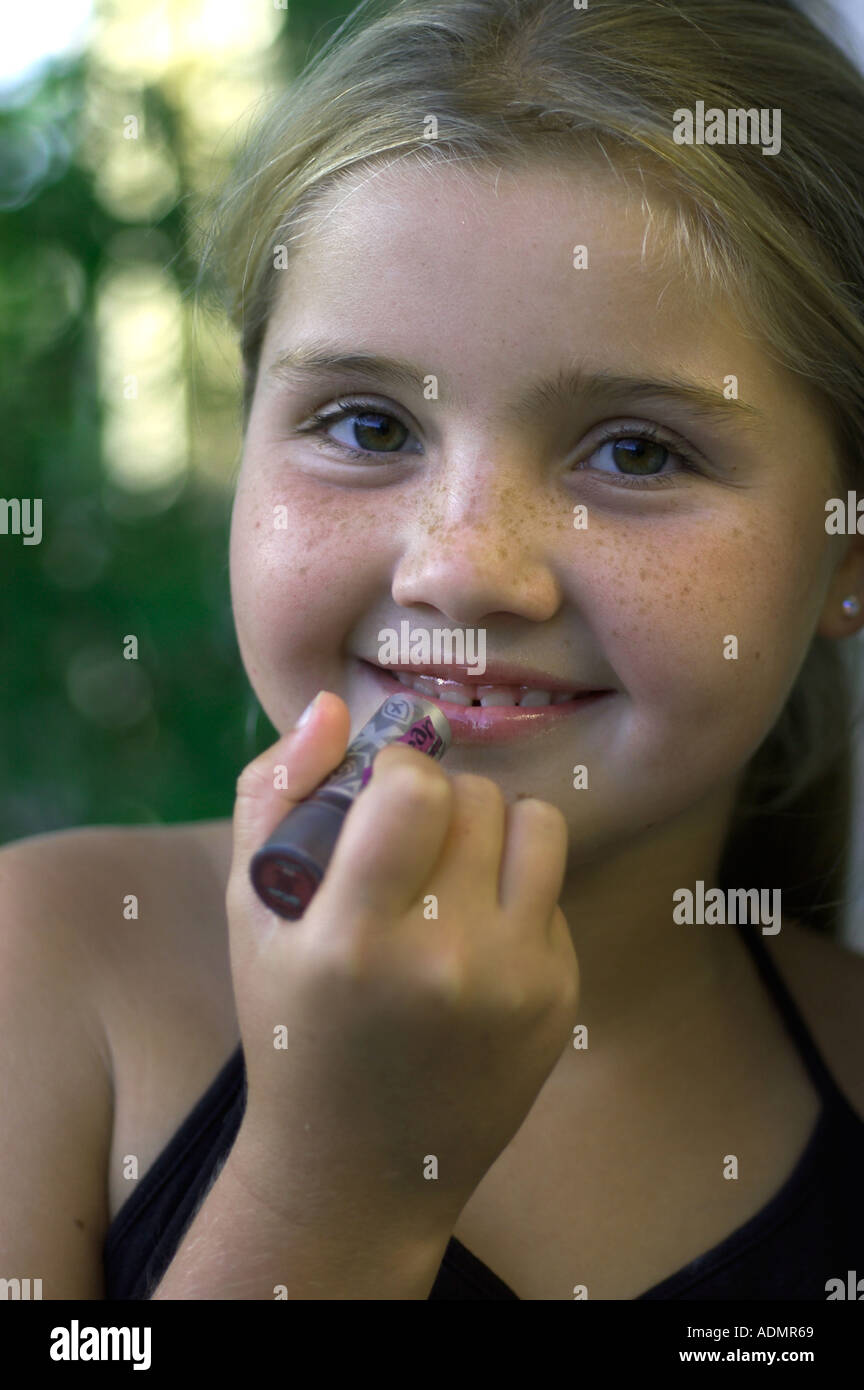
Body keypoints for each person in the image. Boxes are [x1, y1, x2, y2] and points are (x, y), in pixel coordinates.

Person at [3, 0, 864, 1301]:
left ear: (846, 550)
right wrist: (336, 1188)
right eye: (365, 424)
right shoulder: (43, 969)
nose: (458, 563)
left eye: (636, 450)